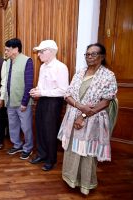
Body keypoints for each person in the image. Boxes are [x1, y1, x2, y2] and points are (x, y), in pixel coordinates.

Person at [57, 43, 118, 195]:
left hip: (93, 120)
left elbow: (106, 101)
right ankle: (71, 179)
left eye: (93, 54)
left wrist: (83, 115)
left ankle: (86, 184)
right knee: (73, 148)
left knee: (87, 152)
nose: (89, 57)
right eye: (87, 54)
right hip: (73, 116)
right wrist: (79, 106)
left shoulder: (108, 76)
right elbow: (68, 94)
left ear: (102, 57)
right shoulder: (80, 72)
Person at [29, 40, 69, 171]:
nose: (39, 54)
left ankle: (51, 160)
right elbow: (41, 85)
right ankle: (41, 154)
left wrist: (42, 92)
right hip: (42, 100)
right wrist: (36, 90)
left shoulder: (61, 67)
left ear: (51, 52)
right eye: (39, 52)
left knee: (50, 131)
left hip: (53, 103)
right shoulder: (43, 66)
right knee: (40, 128)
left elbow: (63, 91)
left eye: (41, 51)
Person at [4, 38, 34, 160]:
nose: (5, 52)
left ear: (15, 49)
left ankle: (28, 148)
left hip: (23, 102)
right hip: (10, 101)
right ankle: (17, 144)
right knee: (13, 126)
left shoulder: (27, 61)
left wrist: (24, 102)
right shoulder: (7, 62)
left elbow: (29, 83)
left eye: (7, 50)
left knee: (26, 127)